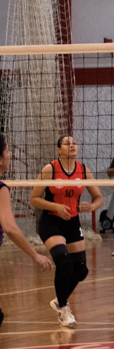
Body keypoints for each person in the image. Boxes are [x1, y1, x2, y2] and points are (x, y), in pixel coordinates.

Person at [29, 135, 104, 328]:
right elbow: (34, 198)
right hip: (51, 222)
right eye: (67, 143)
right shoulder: (50, 169)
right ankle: (63, 308)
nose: (72, 145)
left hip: (72, 222)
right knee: (64, 264)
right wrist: (55, 205)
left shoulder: (83, 170)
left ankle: (58, 300)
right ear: (58, 149)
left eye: (74, 143)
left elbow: (99, 198)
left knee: (81, 269)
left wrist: (91, 206)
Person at [0, 133, 53, 327]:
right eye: (7, 150)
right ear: (0, 159)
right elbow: (10, 228)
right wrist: (35, 255)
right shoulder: (1, 189)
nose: (10, 154)